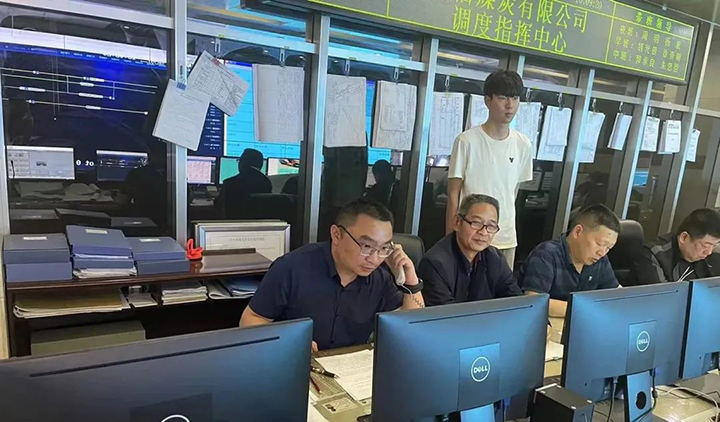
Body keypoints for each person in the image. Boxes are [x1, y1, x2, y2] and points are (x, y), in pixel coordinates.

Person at [240, 198, 425, 351]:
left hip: (350, 370)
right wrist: (286, 342)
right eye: (367, 246)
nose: (374, 259)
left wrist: (411, 281)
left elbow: (411, 329)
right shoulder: (291, 268)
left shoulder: (380, 277)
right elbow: (250, 320)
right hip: (294, 363)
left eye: (384, 248)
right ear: (337, 234)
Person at [446, 70, 533, 270]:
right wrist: (450, 239)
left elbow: (513, 192)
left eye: (515, 98)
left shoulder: (523, 144)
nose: (510, 105)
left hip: (505, 236)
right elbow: (453, 194)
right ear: (488, 101)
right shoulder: (466, 141)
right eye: (503, 98)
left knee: (502, 288)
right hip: (470, 236)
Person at [518, 204, 621, 317]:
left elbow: (617, 294)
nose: (602, 252)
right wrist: (587, 309)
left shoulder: (600, 259)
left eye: (608, 248)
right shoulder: (546, 254)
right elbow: (534, 301)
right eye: (599, 244)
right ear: (577, 232)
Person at [419, 194, 522, 306]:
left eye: (491, 226)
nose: (483, 232)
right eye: (476, 223)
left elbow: (516, 302)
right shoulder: (435, 264)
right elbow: (446, 313)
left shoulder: (496, 259)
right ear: (457, 222)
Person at [631, 208, 720, 284]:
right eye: (705, 245)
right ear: (684, 237)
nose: (709, 252)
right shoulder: (654, 254)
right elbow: (662, 295)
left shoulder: (714, 256)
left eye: (714, 245)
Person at [223, 148, 272, 218]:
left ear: (243, 163)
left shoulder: (230, 183)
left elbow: (219, 205)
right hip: (260, 223)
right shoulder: (267, 183)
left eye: (239, 161)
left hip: (235, 223)